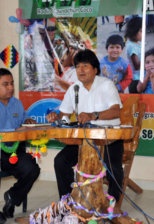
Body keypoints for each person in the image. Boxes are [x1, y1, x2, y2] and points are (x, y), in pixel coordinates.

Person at [47, 49, 124, 202]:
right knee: (60, 161)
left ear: (95, 69)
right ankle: (67, 203)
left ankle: (112, 207)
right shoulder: (73, 88)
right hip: (83, 141)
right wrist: (56, 117)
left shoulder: (106, 85)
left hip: (108, 138)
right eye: (77, 67)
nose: (80, 70)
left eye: (85, 66)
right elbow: (64, 114)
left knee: (114, 169)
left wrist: (93, 115)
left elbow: (116, 112)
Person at [0, 68, 40, 223]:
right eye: (5, 84)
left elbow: (24, 118)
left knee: (33, 169)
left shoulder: (17, 103)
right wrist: (16, 130)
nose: (10, 87)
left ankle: (12, 196)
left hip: (15, 152)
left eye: (12, 83)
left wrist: (28, 121)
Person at [125, 16, 142, 93]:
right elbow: (137, 66)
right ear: (134, 32)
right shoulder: (132, 47)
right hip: (135, 80)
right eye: (141, 31)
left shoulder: (138, 42)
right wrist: (148, 59)